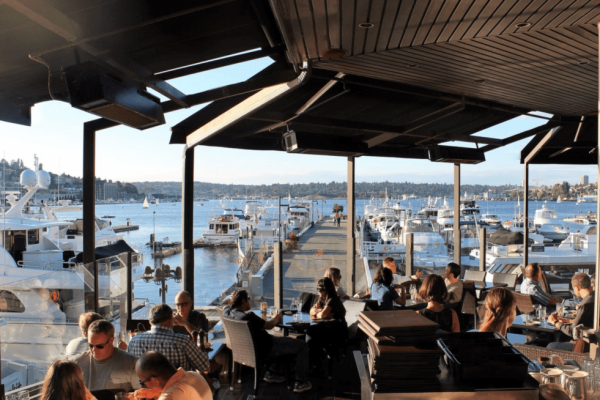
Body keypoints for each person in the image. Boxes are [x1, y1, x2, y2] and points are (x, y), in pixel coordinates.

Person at [223, 289, 312, 393]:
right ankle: (300, 383)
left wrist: (232, 299)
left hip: (252, 350)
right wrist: (277, 318)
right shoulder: (249, 316)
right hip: (267, 348)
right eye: (248, 299)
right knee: (302, 345)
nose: (249, 301)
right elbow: (269, 326)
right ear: (243, 301)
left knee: (280, 338)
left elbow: (224, 304)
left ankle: (271, 372)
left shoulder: (227, 313)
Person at [127, 304, 209, 373]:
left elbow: (130, 370)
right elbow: (205, 367)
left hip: (144, 390)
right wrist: (201, 349)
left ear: (150, 321)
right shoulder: (183, 342)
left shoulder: (134, 341)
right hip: (179, 390)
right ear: (171, 320)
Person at [70, 320, 140, 392]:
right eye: (90, 345)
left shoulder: (132, 364)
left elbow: (141, 395)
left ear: (111, 341)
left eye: (99, 346)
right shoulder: (77, 363)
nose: (94, 350)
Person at [134, 351, 211, 400]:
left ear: (155, 380)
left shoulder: (169, 397)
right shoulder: (195, 375)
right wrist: (155, 394)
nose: (144, 386)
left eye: (142, 382)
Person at [547, 272, 595, 351]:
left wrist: (555, 322)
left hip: (586, 345)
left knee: (551, 345)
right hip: (591, 340)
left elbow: (572, 331)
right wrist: (567, 321)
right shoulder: (594, 297)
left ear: (577, 287)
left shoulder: (586, 304)